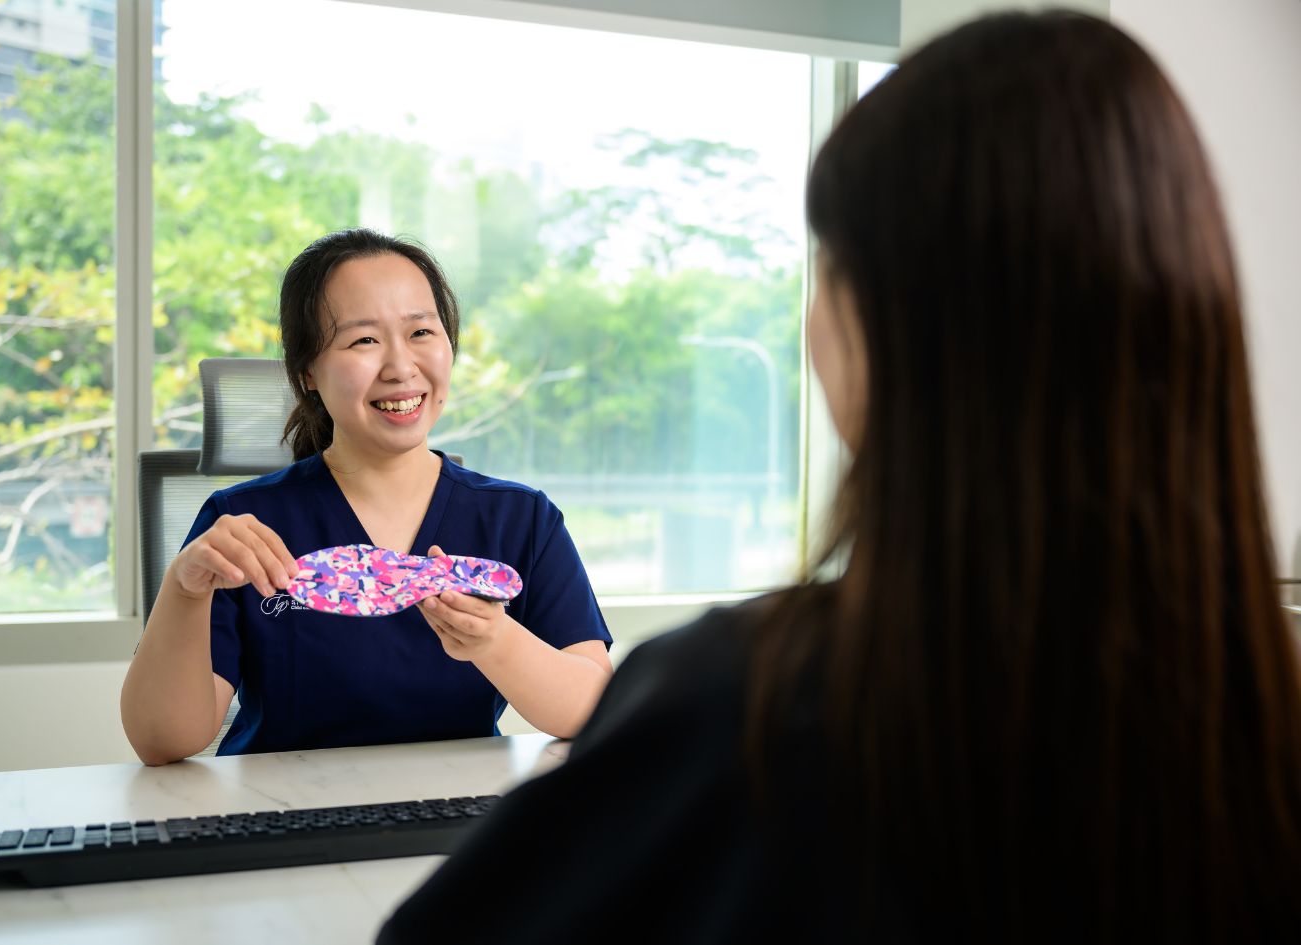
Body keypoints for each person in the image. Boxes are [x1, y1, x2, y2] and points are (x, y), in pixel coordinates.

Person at [377, 11, 1301, 943]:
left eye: (826, 268)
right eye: (364, 339)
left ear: (882, 324)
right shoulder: (1263, 726)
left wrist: (581, 797)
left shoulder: (742, 705)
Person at [121, 230, 613, 764]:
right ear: (307, 371)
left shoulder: (521, 519)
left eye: (421, 331)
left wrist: (495, 642)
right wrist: (185, 589)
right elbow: (162, 741)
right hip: (285, 820)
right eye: (363, 341)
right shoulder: (242, 526)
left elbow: (591, 711)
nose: (401, 367)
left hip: (456, 824)